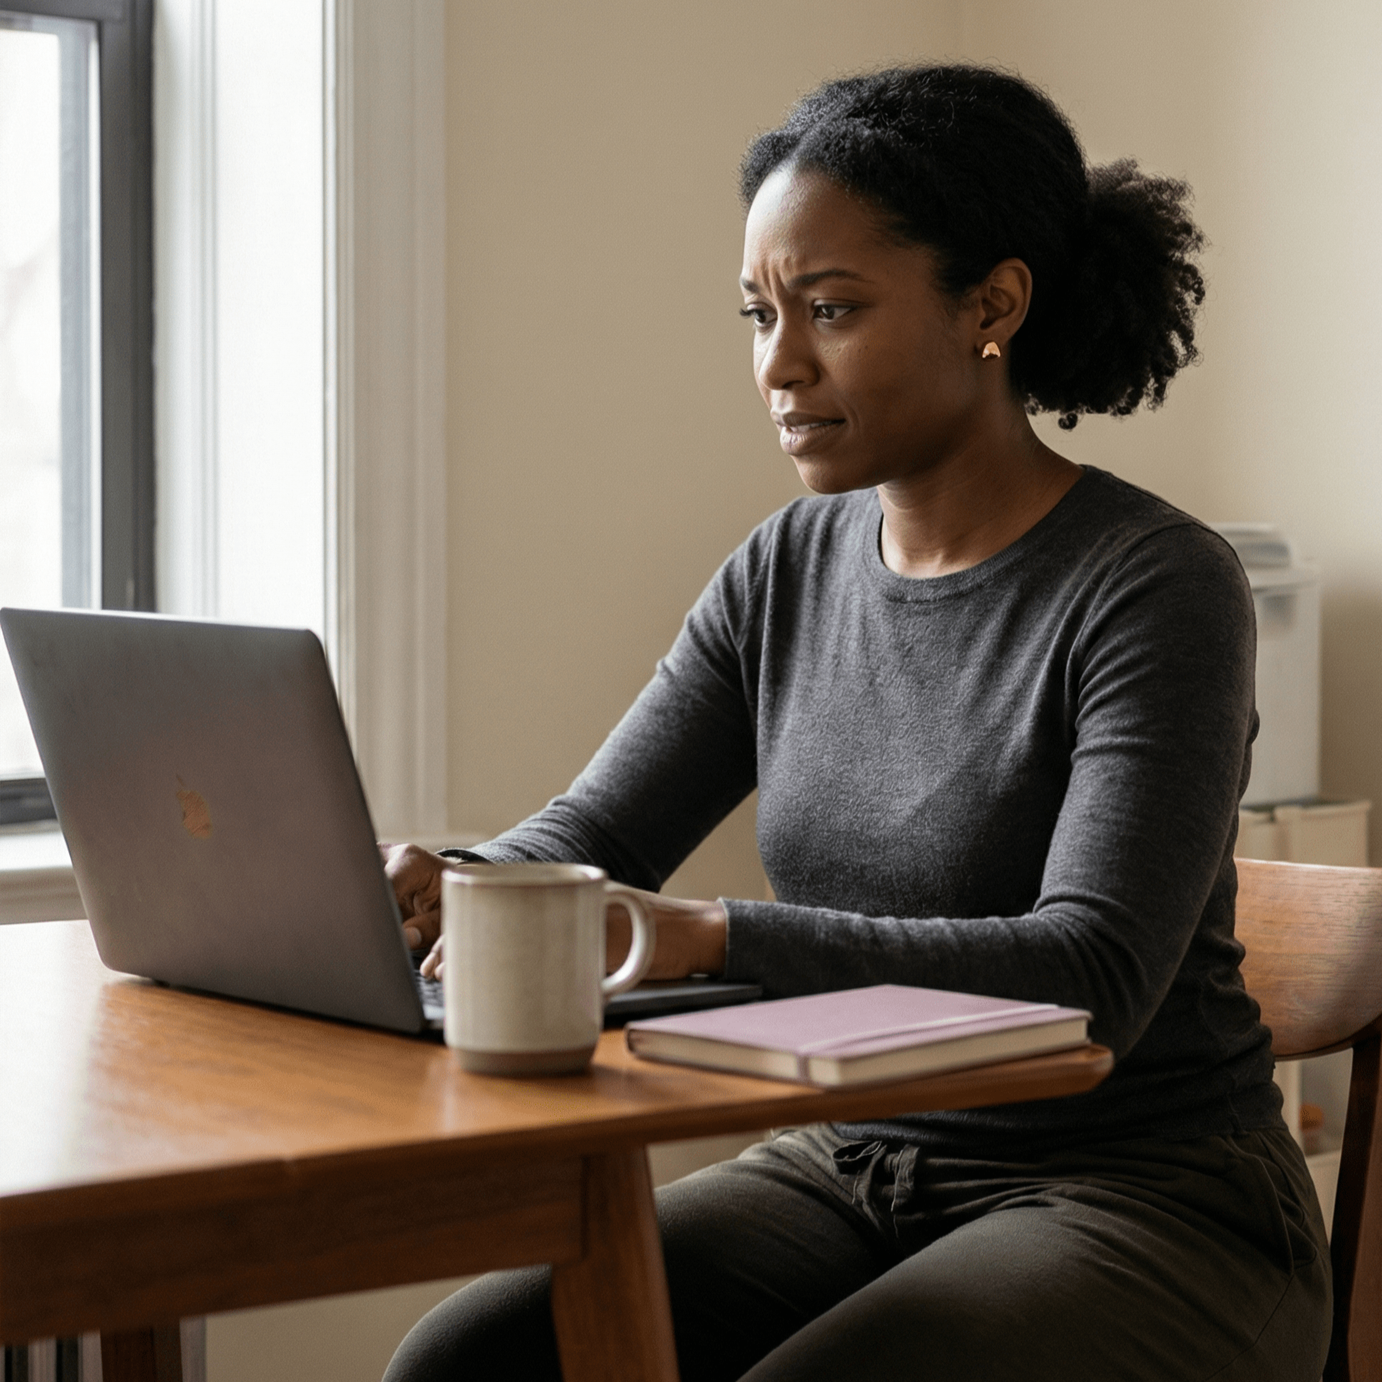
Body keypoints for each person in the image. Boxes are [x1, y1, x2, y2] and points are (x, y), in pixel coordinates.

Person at [381, 64, 1331, 1382]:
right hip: (862, 1154)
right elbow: (597, 834)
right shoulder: (786, 566)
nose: (777, 365)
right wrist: (458, 881)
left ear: (990, 305)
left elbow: (1092, 975)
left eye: (829, 310)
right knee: (469, 1360)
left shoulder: (1153, 584)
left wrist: (712, 936)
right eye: (759, 313)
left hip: (1146, 1187)